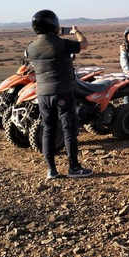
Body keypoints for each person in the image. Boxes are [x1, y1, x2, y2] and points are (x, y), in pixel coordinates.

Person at [25, 10, 92, 179]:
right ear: (54, 25)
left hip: (43, 95)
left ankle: (51, 170)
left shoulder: (30, 47)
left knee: (49, 129)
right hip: (63, 92)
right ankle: (74, 168)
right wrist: (76, 31)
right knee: (69, 129)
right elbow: (84, 44)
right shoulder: (62, 44)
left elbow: (27, 57)